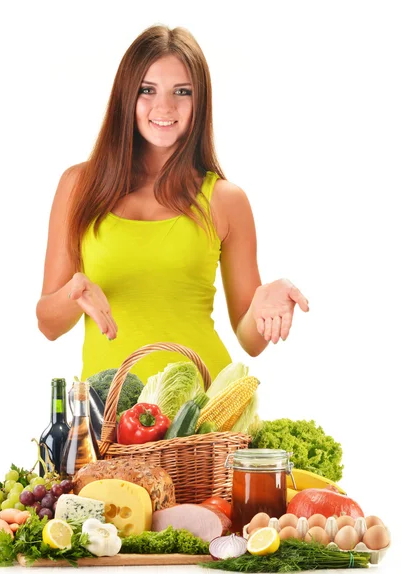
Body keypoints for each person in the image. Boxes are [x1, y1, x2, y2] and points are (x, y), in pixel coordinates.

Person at [36, 25, 309, 385]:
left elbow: (249, 340)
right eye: (147, 90)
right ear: (125, 97)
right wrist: (76, 294)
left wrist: (262, 307)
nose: (164, 107)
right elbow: (47, 325)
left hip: (203, 413)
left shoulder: (226, 200)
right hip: (110, 420)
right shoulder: (79, 187)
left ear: (201, 102)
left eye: (182, 92)